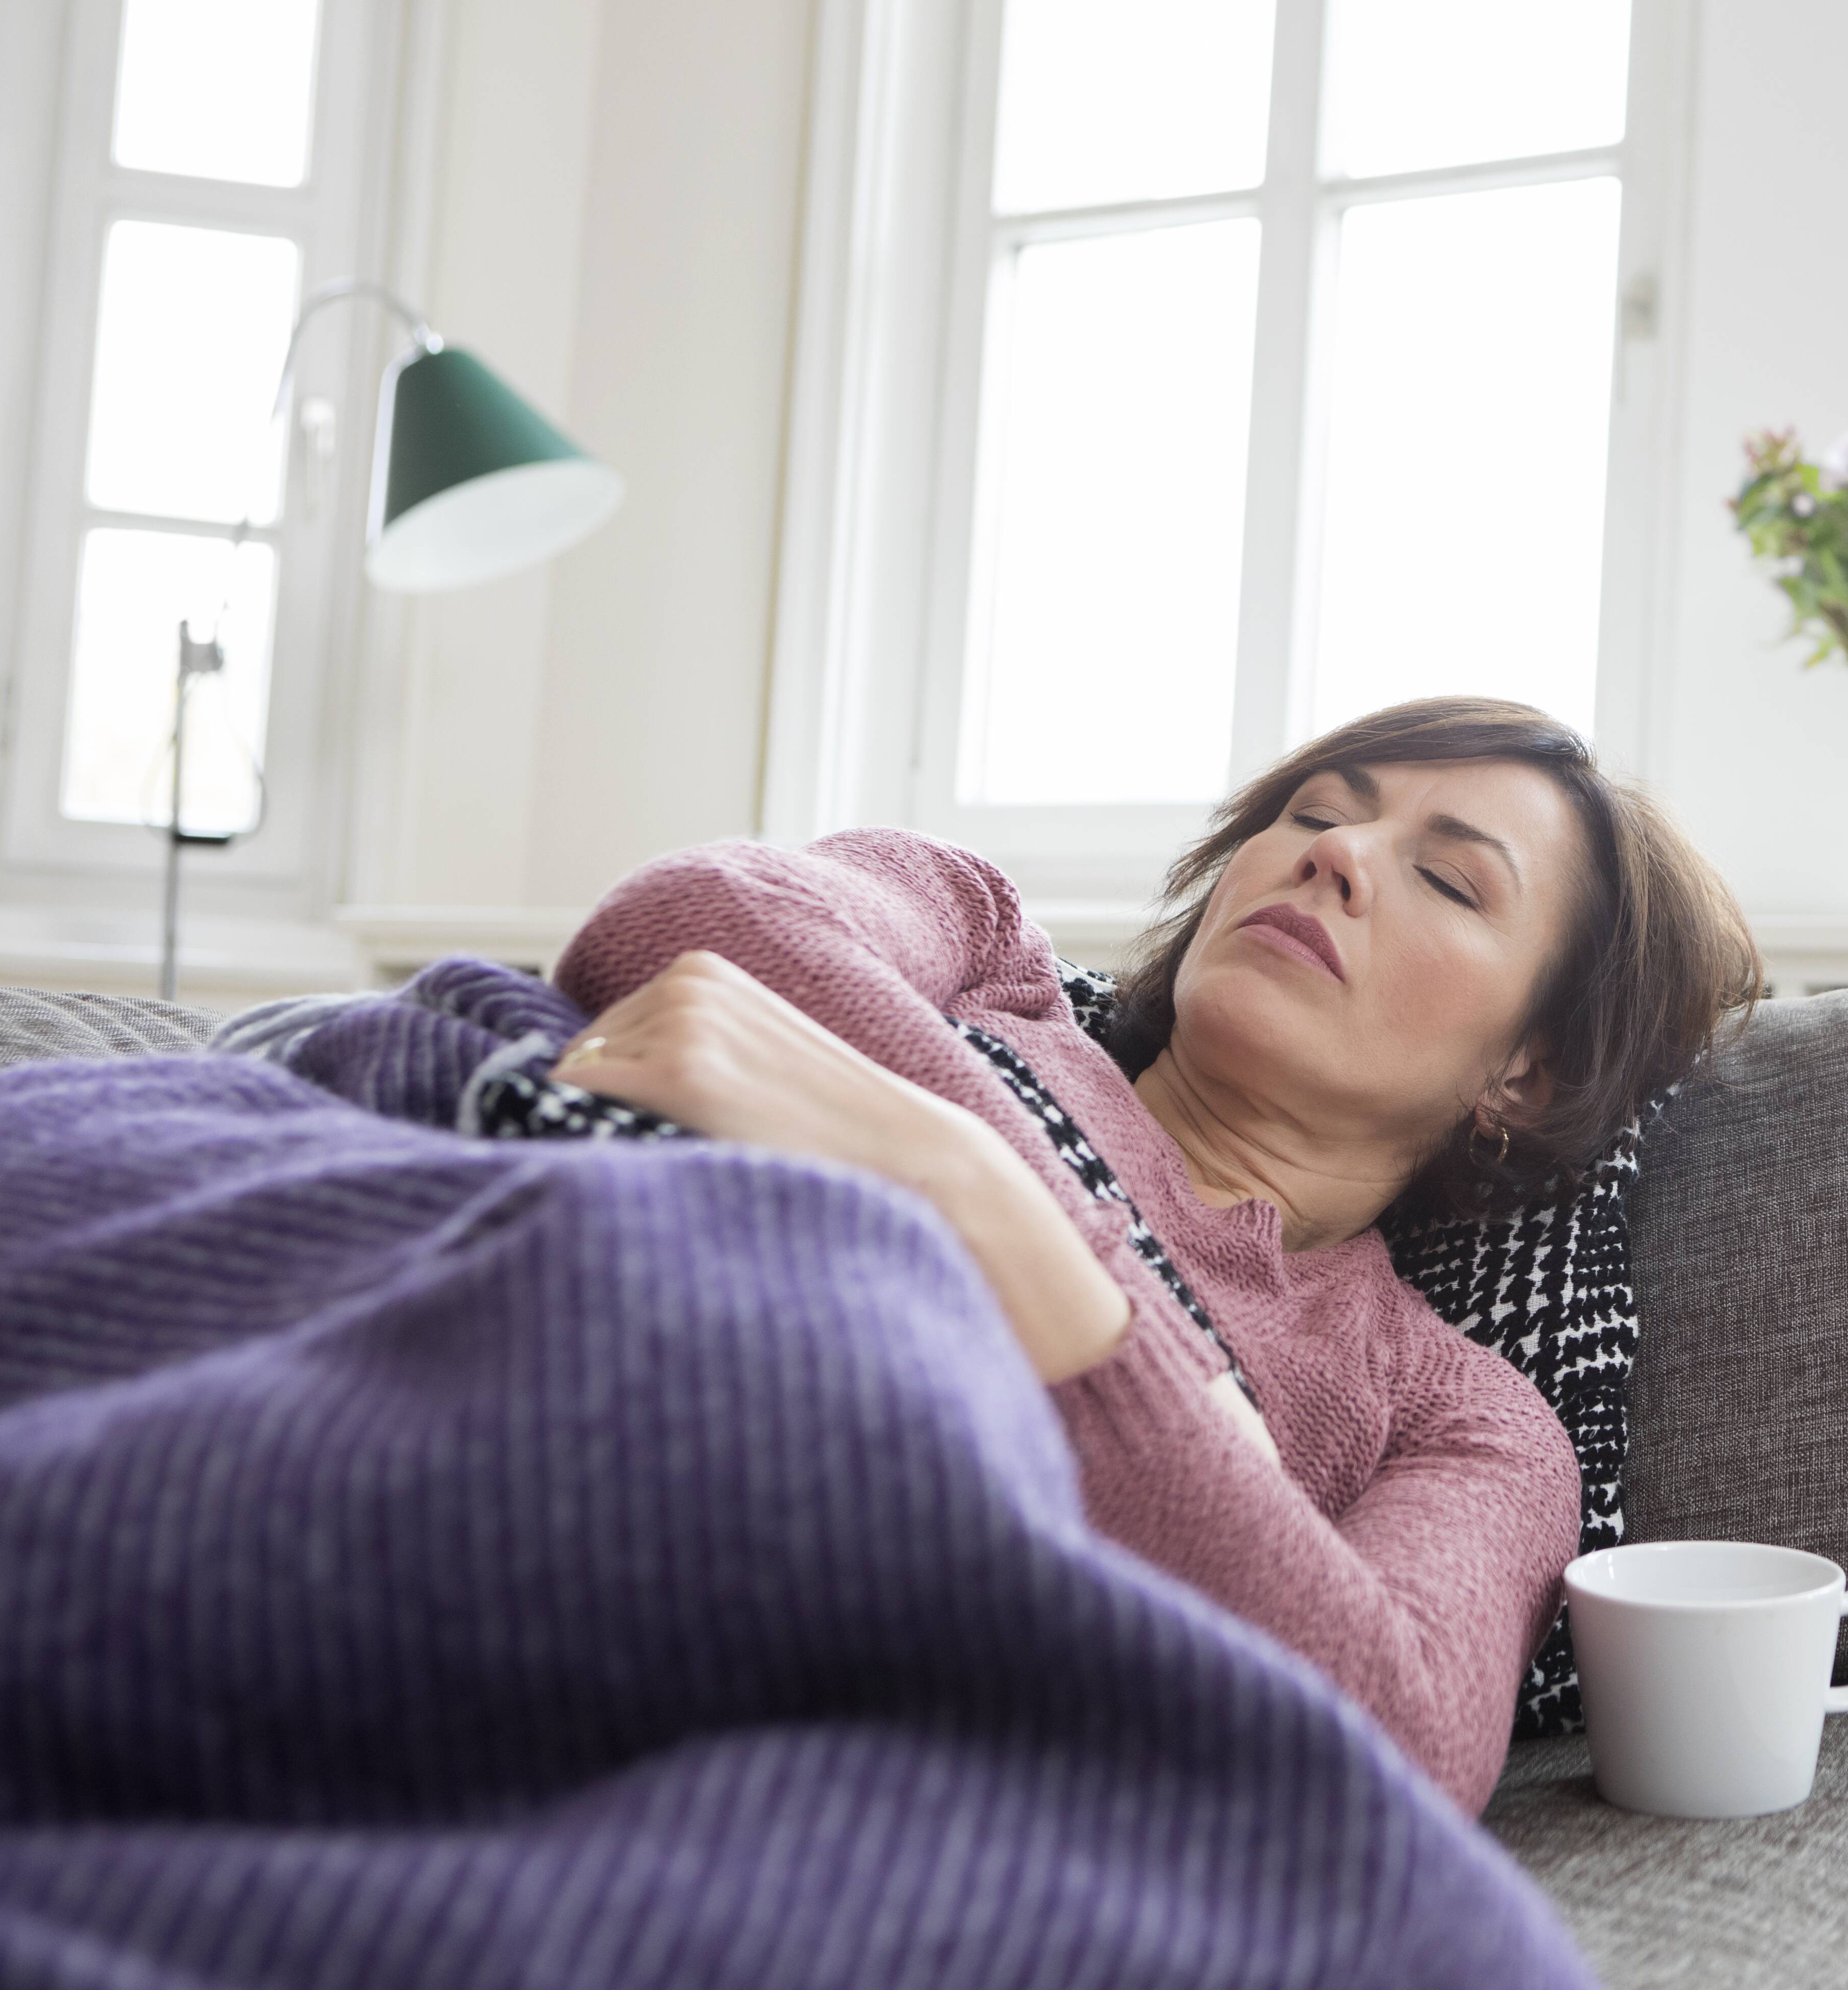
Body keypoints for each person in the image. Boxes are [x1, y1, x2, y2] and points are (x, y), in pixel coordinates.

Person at [540, 698, 1761, 1813]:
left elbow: (1395, 1747)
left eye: (1446, 879)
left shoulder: (1459, 1418)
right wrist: (975, 1177)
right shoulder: (985, 951)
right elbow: (682, 921)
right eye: (1316, 811)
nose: (1332, 852)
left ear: (1522, 1070)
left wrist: (1014, 1237)